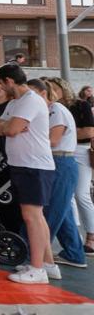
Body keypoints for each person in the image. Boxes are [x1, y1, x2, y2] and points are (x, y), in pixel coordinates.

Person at [0, 64, 55, 284]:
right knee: (36, 216)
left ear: (10, 81)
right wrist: (8, 126)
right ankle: (47, 263)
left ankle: (38, 269)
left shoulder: (30, 100)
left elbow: (10, 130)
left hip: (34, 165)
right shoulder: (16, 103)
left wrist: (9, 126)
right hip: (23, 164)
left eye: (0, 82)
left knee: (32, 216)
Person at [33, 78, 86, 270]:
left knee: (53, 210)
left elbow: (53, 140)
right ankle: (74, 253)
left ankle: (38, 254)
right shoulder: (51, 111)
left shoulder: (56, 111)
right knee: (63, 212)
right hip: (58, 161)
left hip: (60, 161)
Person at [68, 80, 94, 255]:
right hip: (63, 151)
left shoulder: (81, 105)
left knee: (81, 194)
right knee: (68, 197)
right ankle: (75, 237)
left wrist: (66, 132)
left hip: (81, 150)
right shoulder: (50, 107)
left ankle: (91, 237)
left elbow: (89, 132)